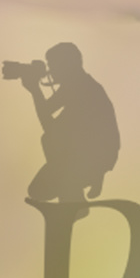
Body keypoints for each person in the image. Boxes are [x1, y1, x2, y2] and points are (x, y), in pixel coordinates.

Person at [22, 42, 120, 208]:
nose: (51, 71)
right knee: (38, 189)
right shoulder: (81, 84)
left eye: (53, 65)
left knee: (49, 141)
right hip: (89, 152)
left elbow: (47, 120)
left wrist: (34, 90)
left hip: (92, 154)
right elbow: (48, 121)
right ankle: (78, 193)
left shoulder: (79, 86)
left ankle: (74, 200)